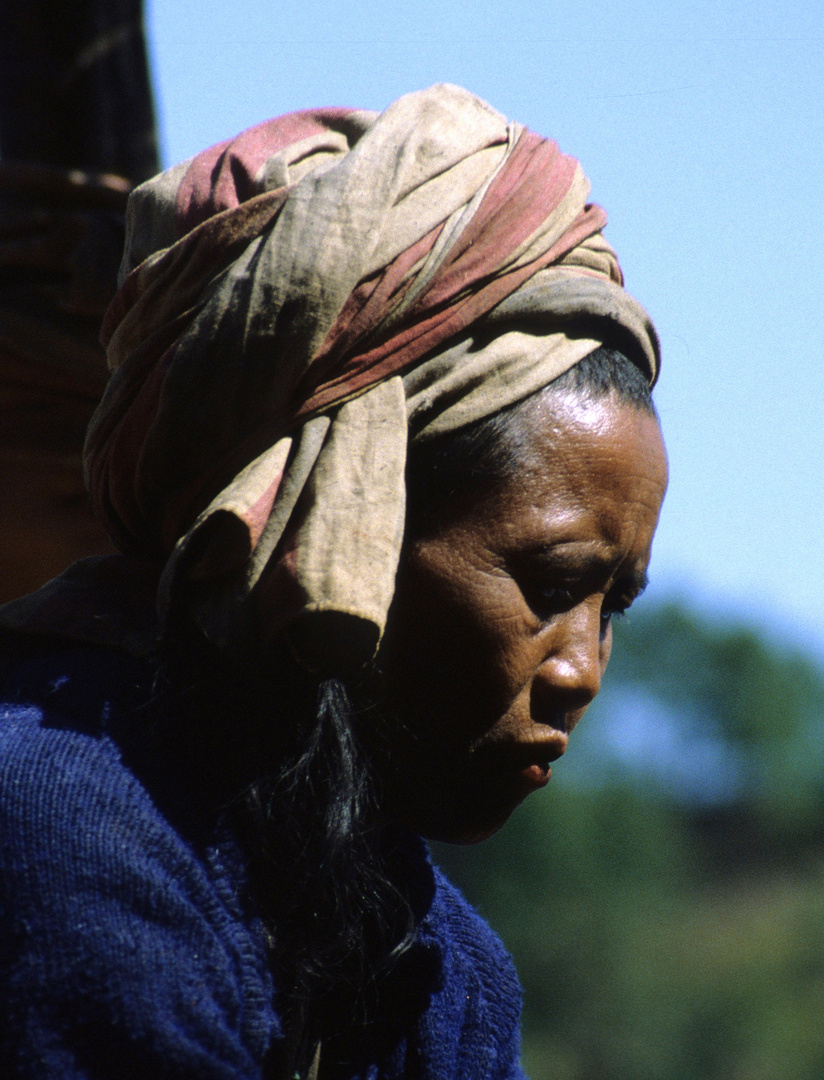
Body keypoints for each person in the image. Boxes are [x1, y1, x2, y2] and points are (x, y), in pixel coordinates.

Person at [0, 84, 666, 1080]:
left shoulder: (444, 967)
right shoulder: (63, 824)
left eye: (611, 608)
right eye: (550, 584)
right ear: (342, 515)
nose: (581, 671)